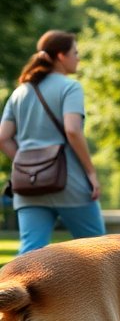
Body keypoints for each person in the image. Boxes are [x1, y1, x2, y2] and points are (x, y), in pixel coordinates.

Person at [0, 30, 104, 254]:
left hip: (28, 184)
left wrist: (26, 163)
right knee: (99, 250)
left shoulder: (20, 92)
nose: (78, 57)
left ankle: (10, 290)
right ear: (60, 56)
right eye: (75, 53)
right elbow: (72, 130)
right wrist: (91, 173)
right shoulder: (70, 87)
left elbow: (3, 137)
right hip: (71, 182)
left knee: (29, 253)